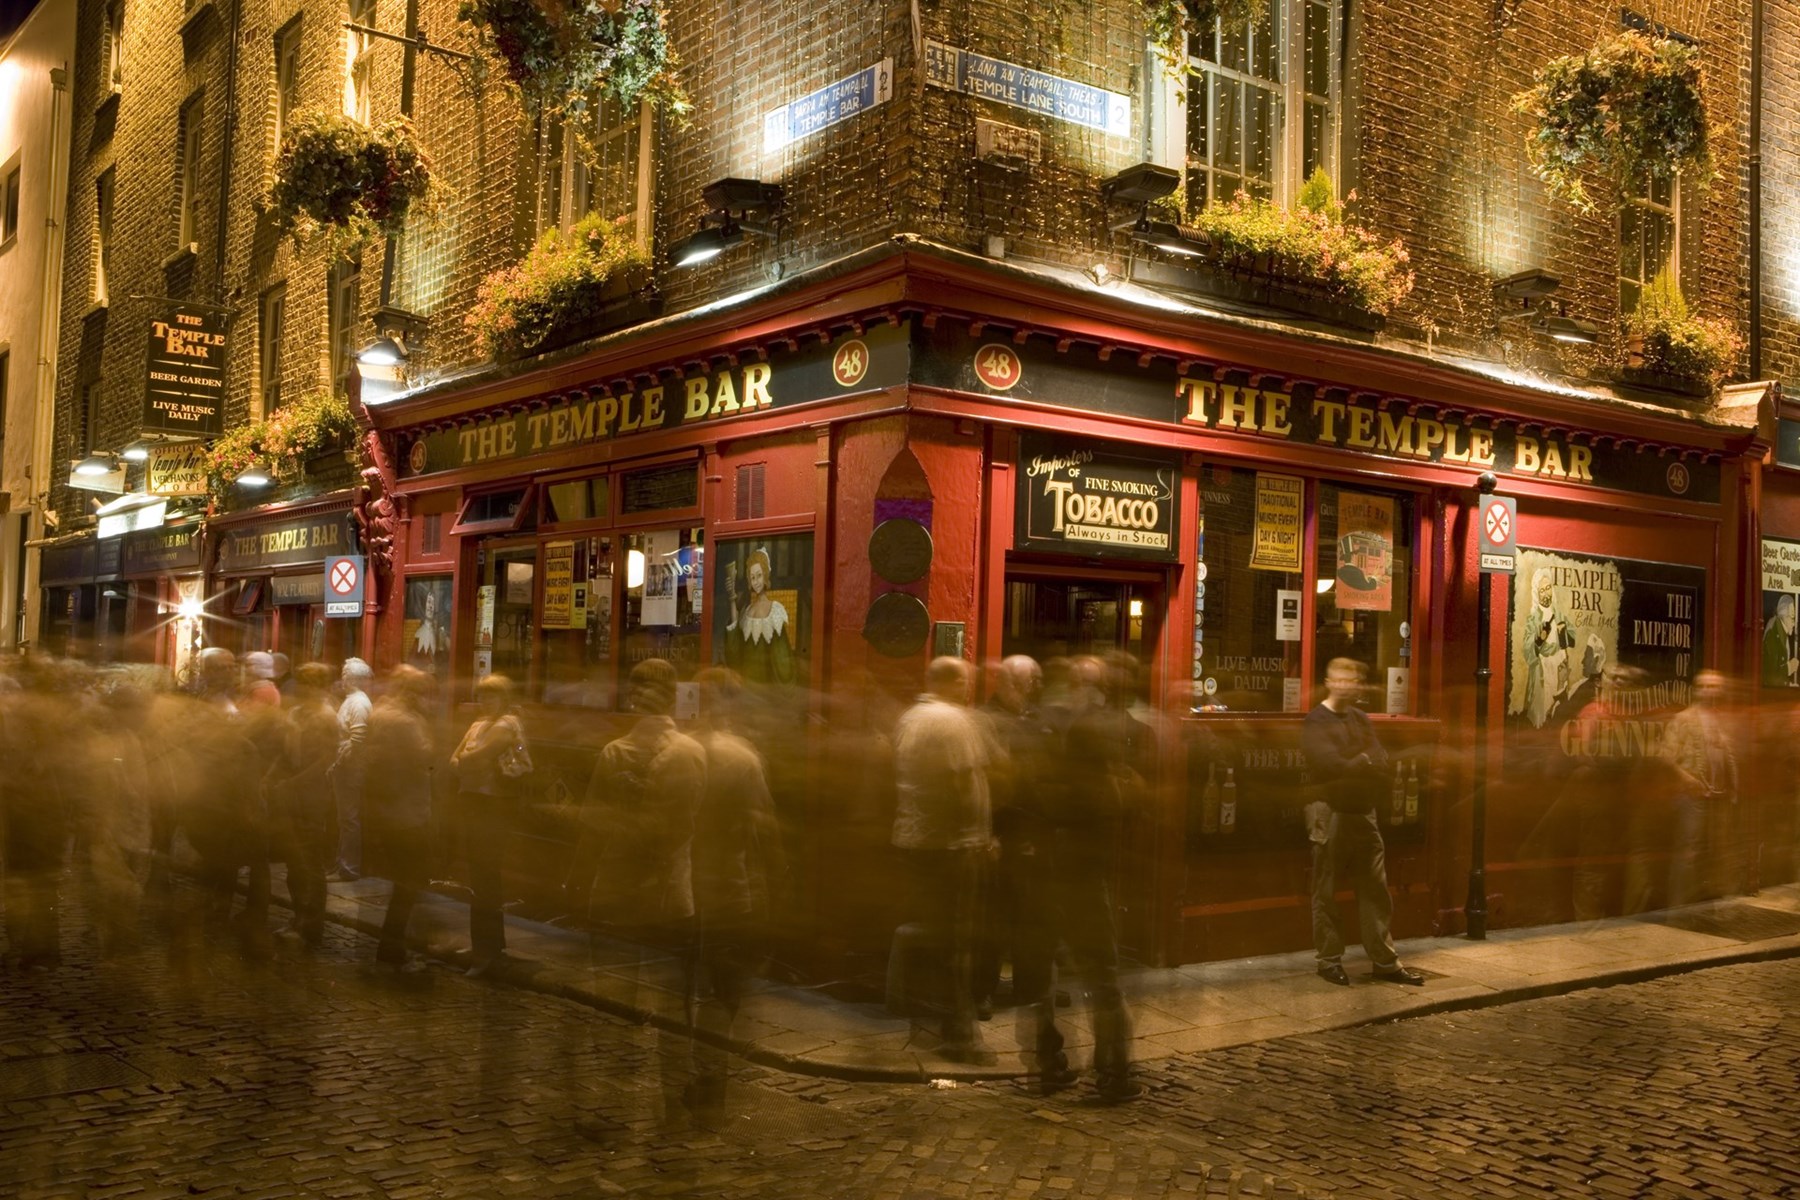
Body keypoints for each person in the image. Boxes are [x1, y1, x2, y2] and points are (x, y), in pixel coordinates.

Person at [1032, 654, 1147, 1102]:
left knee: (1049, 971)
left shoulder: (1051, 725)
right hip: (1082, 872)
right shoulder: (1101, 733)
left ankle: (1053, 1066)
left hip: (1053, 869)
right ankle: (1111, 1073)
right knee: (1101, 976)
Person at [682, 667, 787, 1113]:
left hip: (682, 887)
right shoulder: (742, 757)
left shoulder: (678, 750)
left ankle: (695, 1068)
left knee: (691, 983)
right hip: (728, 885)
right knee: (725, 987)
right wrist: (779, 881)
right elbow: (764, 827)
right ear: (731, 703)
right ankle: (712, 1074)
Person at [890, 656, 997, 1064]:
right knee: (959, 941)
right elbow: (966, 785)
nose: (968, 689)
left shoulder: (910, 718)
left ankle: (929, 1025)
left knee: (934, 935)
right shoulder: (953, 722)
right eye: (965, 682)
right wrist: (981, 838)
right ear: (954, 682)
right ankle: (961, 1035)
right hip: (953, 846)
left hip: (915, 840)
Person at [1301, 658, 1423, 987]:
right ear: (1328, 682)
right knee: (1326, 890)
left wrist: (1360, 762)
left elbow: (1380, 758)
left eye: (1352, 680)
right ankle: (1328, 961)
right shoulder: (1316, 720)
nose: (1346, 685)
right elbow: (1328, 765)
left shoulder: (1360, 718)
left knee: (1375, 890)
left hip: (1363, 810)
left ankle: (1385, 962)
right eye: (1340, 679)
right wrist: (1361, 761)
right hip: (1329, 812)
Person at [449, 674, 527, 976]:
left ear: (504, 699)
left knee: (486, 876)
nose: (485, 702)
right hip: (473, 801)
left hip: (494, 806)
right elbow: (453, 761)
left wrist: (467, 761)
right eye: (482, 696)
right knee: (480, 876)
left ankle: (486, 952)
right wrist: (467, 762)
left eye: (492, 696)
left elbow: (473, 759)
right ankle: (487, 945)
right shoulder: (477, 725)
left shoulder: (508, 725)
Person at [365, 665, 437, 970]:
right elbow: (426, 756)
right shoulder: (406, 721)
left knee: (403, 880)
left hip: (385, 807)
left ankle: (394, 945)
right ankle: (394, 948)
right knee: (410, 882)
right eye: (421, 692)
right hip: (408, 810)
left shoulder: (380, 713)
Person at [265, 663, 339, 949]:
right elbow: (282, 752)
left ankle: (311, 927)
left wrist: (293, 783)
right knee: (294, 862)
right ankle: (297, 918)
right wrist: (271, 776)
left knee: (310, 863)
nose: (305, 688)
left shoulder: (326, 716)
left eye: (312, 683)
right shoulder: (295, 713)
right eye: (303, 682)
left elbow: (325, 761)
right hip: (288, 795)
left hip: (311, 798)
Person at [1659, 670, 1740, 906]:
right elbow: (1666, 756)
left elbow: (1730, 756)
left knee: (1716, 849)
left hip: (1718, 796)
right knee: (1688, 850)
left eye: (1713, 686)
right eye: (1704, 686)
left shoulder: (1723, 719)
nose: (1708, 691)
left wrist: (1733, 788)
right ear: (1696, 689)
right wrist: (1687, 779)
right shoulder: (1683, 719)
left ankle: (1705, 903)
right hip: (1691, 797)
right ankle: (1679, 904)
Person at [329, 658, 374, 882]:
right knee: (345, 819)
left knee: (349, 819)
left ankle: (349, 868)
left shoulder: (358, 703)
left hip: (349, 769)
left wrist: (337, 764)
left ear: (351, 679)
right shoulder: (353, 701)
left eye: (344, 676)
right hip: (345, 768)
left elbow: (358, 739)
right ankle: (342, 864)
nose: (342, 680)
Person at [723, 548, 795, 686]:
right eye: (752, 577)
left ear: (766, 575)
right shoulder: (747, 611)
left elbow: (783, 664)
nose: (756, 582)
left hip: (765, 689)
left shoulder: (774, 611)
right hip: (745, 687)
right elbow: (735, 653)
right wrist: (732, 598)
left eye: (759, 575)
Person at [1524, 568, 1576, 728]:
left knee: (1559, 711)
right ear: (1536, 594)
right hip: (1543, 671)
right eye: (1542, 591)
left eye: (1548, 588)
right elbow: (1528, 651)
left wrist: (1564, 633)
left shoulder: (1558, 614)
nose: (1546, 594)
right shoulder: (1534, 619)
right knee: (1544, 711)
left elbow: (1572, 639)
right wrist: (1539, 639)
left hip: (1559, 667)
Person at [1762, 595, 1797, 687]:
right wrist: (1789, 667)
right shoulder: (1773, 635)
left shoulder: (1781, 632)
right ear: (1784, 616)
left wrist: (1788, 684)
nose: (1794, 624)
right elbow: (1770, 675)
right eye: (1792, 618)